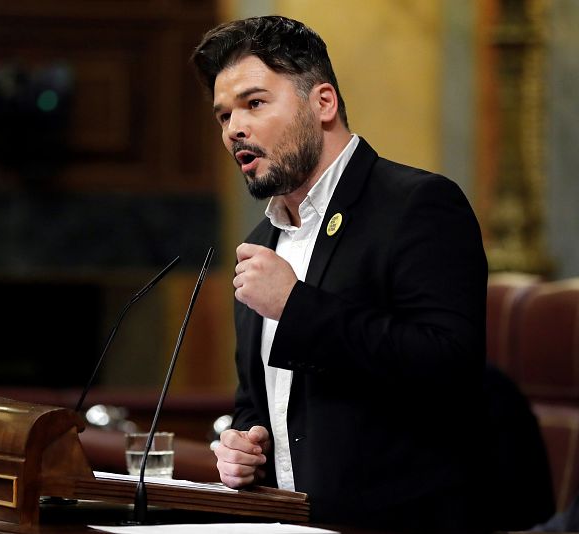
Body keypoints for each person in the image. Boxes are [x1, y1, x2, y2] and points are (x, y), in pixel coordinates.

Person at [191, 16, 488, 530]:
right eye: (223, 116)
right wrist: (246, 442)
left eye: (254, 103)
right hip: (285, 521)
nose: (234, 128)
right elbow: (257, 400)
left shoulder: (416, 204)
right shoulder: (263, 245)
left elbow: (450, 364)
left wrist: (295, 305)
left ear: (322, 103)